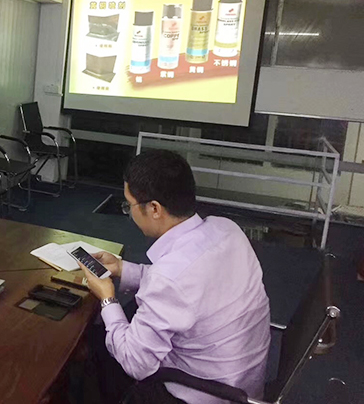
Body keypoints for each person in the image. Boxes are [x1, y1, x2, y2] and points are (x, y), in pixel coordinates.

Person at [80, 150, 270, 404]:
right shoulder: (227, 229)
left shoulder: (169, 277)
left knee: (99, 350)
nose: (130, 213)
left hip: (206, 393)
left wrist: (107, 298)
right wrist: (123, 268)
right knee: (123, 319)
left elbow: (135, 362)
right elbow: (187, 284)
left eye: (129, 205)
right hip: (246, 381)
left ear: (154, 209)